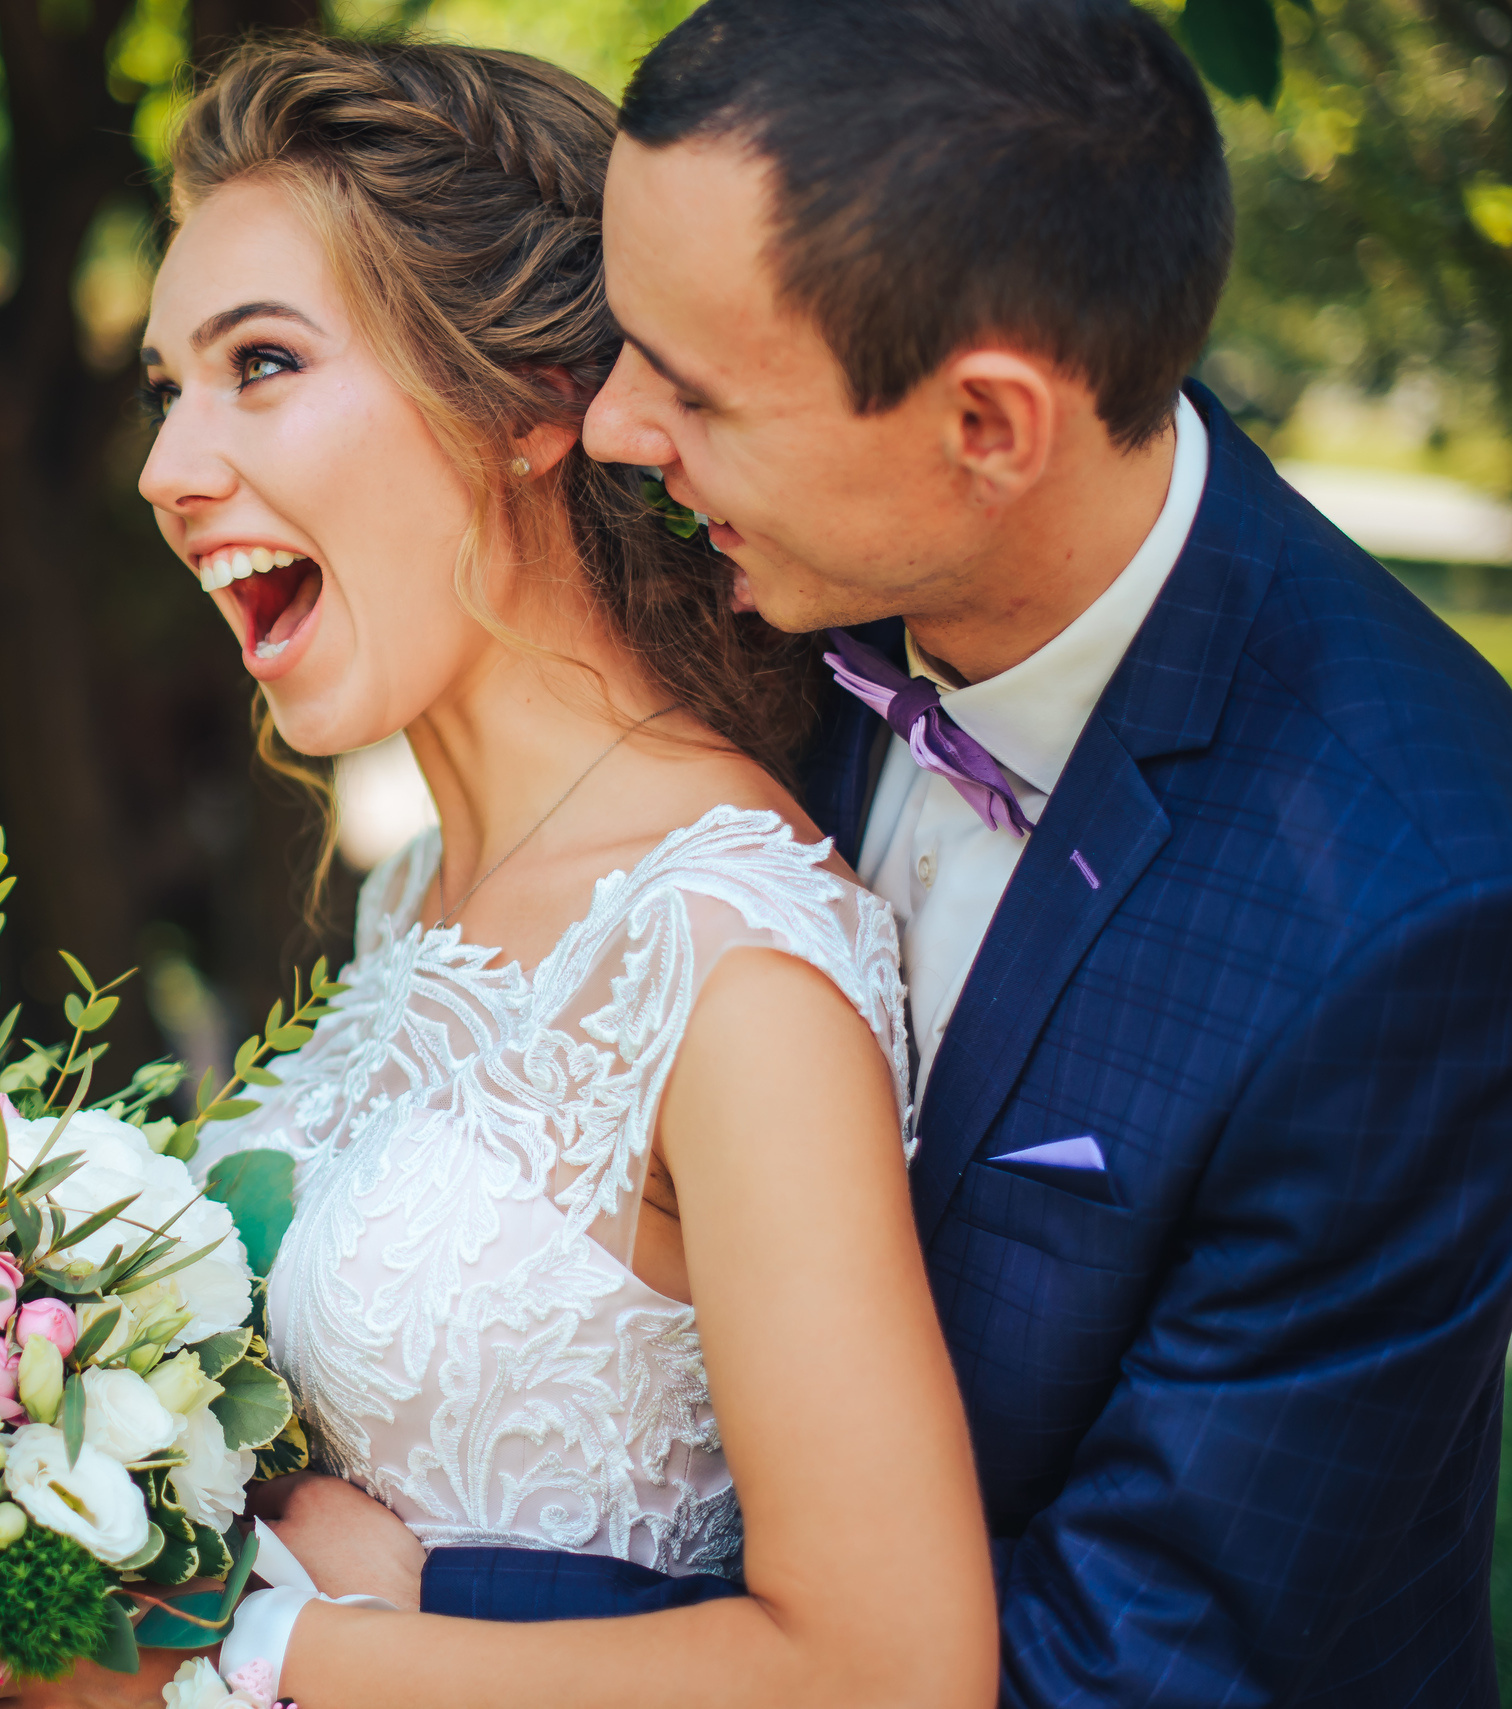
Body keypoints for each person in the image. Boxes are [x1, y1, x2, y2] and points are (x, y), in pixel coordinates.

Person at [0, 34, 999, 1709]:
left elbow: (889, 1671)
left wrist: (260, 1651)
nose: (167, 470)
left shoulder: (732, 957)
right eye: (164, 390)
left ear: (523, 409)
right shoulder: (410, 892)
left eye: (260, 363)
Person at [574, 1, 1512, 1703]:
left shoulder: (1407, 908)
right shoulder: (747, 582)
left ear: (992, 428)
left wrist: (400, 1617)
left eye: (692, 388)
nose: (614, 431)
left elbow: (1136, 1666)